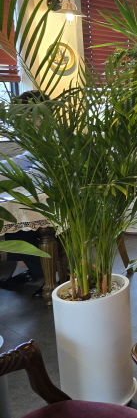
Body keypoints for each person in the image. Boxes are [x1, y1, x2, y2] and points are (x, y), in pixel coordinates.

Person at [0, 90, 47, 295]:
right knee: (12, 217)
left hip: (63, 205)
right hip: (43, 196)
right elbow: (21, 161)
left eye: (22, 116)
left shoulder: (56, 137)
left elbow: (40, 173)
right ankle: (24, 268)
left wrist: (16, 179)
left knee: (17, 220)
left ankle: (49, 274)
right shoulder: (39, 138)